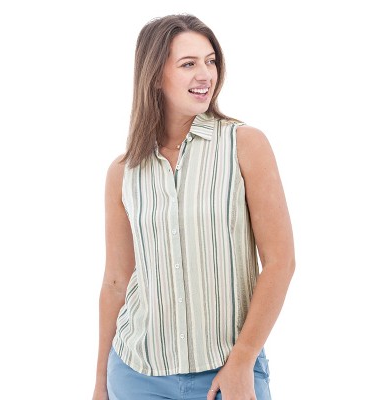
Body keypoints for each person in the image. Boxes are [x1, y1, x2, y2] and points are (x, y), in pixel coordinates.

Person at [92, 13, 295, 400]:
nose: (205, 75)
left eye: (210, 61)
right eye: (188, 64)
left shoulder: (244, 145)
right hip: (137, 375)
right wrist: (101, 383)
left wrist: (242, 361)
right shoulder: (123, 172)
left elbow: (280, 262)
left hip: (227, 373)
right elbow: (116, 281)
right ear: (155, 75)